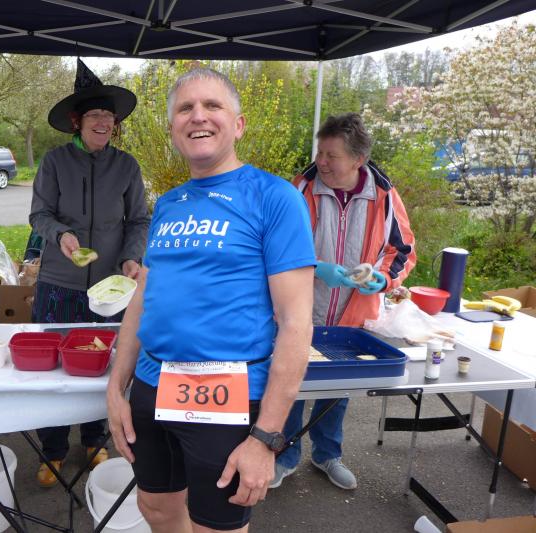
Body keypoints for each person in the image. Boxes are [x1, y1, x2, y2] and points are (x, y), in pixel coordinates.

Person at [106, 67, 316, 532]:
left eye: (212, 105)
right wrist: (115, 388)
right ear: (173, 130)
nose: (198, 116)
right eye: (185, 108)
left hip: (227, 395)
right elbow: (143, 298)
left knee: (215, 527)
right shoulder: (168, 204)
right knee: (156, 507)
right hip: (152, 385)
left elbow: (296, 323)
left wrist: (265, 437)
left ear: (238, 125)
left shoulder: (275, 198)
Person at [272, 113, 416, 491]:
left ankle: (327, 454)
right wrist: (317, 268)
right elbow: (276, 245)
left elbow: (402, 249)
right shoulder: (300, 188)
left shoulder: (383, 195)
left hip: (352, 314)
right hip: (301, 309)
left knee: (337, 390)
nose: (321, 161)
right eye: (320, 152)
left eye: (331, 155)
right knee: (291, 384)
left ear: (358, 160)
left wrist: (384, 279)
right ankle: (283, 456)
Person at [30, 59, 150, 487]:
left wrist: (131, 258)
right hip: (59, 284)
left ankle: (96, 439)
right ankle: (53, 448)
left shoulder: (126, 166)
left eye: (109, 117)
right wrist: (61, 234)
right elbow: (39, 214)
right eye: (95, 115)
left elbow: (139, 220)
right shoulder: (54, 162)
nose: (103, 123)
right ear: (77, 122)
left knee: (105, 365)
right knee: (56, 368)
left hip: (110, 288)